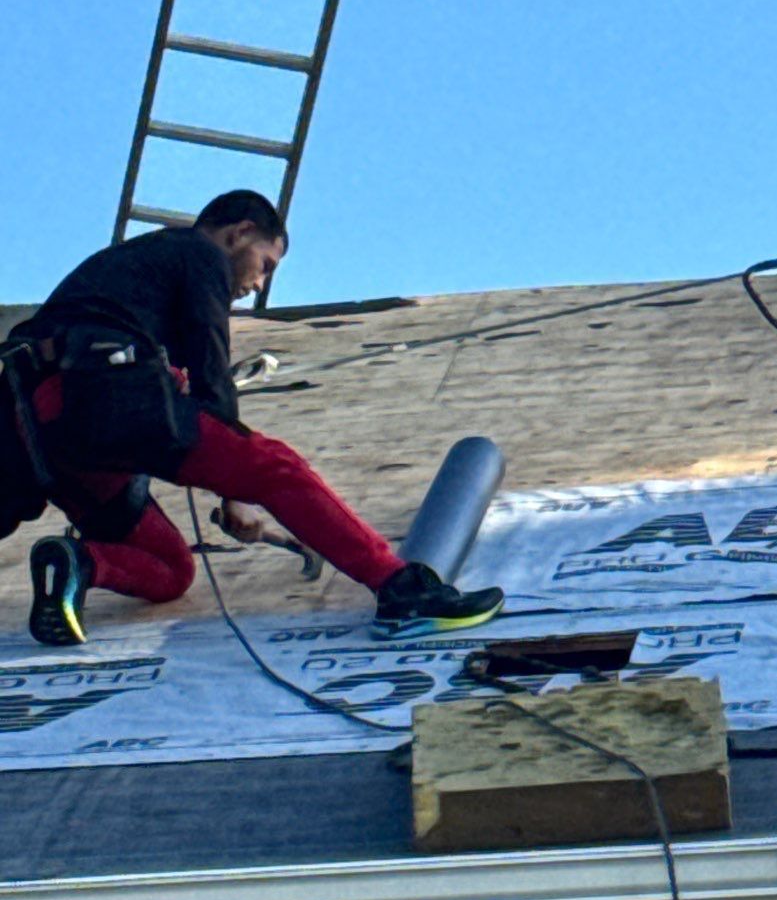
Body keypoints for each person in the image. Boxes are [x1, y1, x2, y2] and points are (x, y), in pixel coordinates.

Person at [2, 190, 504, 646]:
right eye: (265, 264)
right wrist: (234, 494)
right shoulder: (197, 253)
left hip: (45, 433)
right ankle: (403, 591)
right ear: (238, 232)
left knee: (172, 569)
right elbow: (211, 367)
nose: (258, 283)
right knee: (272, 466)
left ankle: (81, 564)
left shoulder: (130, 273)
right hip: (101, 394)